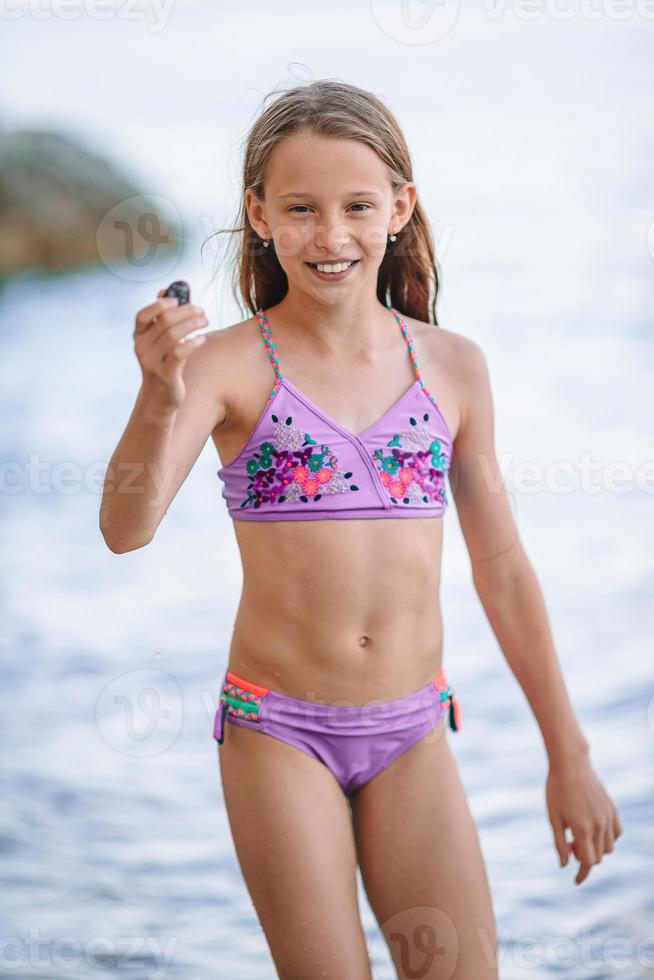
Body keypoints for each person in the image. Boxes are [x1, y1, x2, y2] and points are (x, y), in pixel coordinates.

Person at [100, 80, 622, 980]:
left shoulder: (453, 367)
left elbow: (502, 569)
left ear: (400, 208)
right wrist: (158, 395)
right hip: (278, 734)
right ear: (259, 215)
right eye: (300, 209)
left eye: (356, 207)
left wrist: (566, 753)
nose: (331, 235)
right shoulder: (224, 365)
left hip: (414, 730)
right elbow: (125, 527)